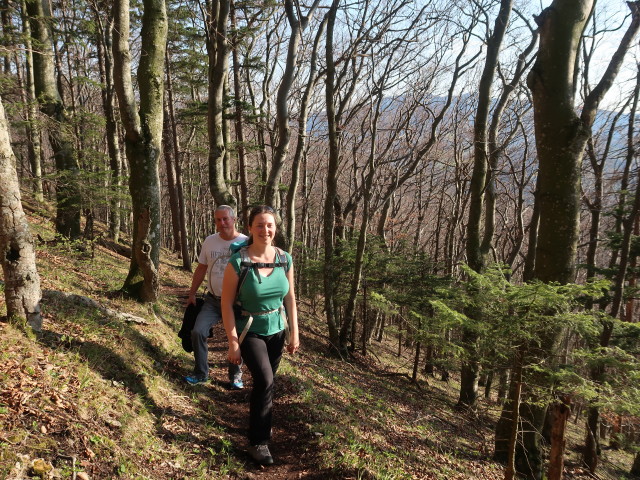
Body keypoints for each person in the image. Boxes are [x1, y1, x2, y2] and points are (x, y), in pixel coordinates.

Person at [221, 205, 300, 465]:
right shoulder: (238, 261)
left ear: (275, 228)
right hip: (250, 330)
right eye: (260, 225)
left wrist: (294, 332)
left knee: (267, 382)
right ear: (250, 228)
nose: (265, 230)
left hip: (277, 329)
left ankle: (260, 425)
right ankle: (258, 442)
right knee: (265, 380)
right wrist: (233, 343)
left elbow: (290, 297)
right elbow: (226, 303)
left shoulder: (284, 258)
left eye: (270, 225)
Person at [185, 205, 247, 387]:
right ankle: (201, 373)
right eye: (218, 220)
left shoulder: (246, 243)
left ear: (234, 220)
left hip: (237, 302)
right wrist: (192, 293)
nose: (222, 223)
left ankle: (235, 376)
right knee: (198, 331)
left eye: (226, 219)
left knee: (235, 338)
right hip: (213, 300)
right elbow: (202, 268)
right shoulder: (210, 241)